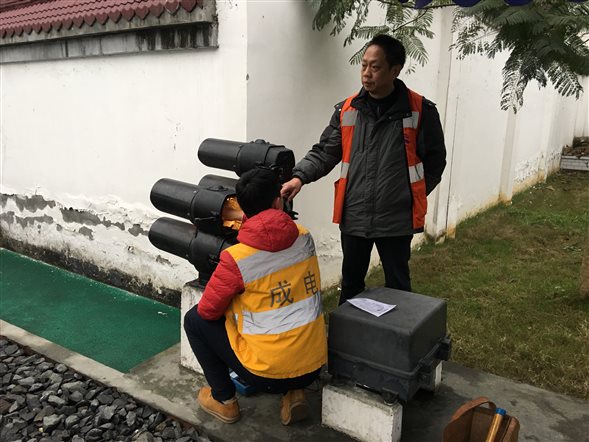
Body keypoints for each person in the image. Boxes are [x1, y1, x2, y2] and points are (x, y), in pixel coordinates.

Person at [281, 34, 446, 305]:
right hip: (355, 214)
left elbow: (436, 162)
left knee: (398, 287)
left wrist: (409, 195)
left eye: (375, 67)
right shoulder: (347, 110)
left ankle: (398, 332)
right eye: (364, 65)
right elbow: (325, 152)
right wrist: (299, 177)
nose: (366, 73)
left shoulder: (420, 110)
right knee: (351, 285)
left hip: (396, 220)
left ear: (395, 70)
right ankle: (348, 333)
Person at [183, 167, 327, 425]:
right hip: (313, 365)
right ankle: (294, 393)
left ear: (241, 208)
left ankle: (224, 400)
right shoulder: (305, 238)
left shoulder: (236, 259)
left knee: (195, 320)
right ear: (278, 201)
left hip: (266, 375)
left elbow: (208, 312)